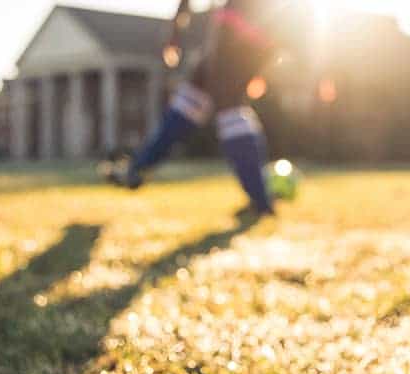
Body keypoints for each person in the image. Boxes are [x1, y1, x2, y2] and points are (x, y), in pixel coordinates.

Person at [104, 0, 292, 217]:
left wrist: (175, 33)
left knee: (227, 104)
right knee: (191, 103)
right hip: (241, 30)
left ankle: (261, 201)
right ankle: (136, 168)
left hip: (242, 29)